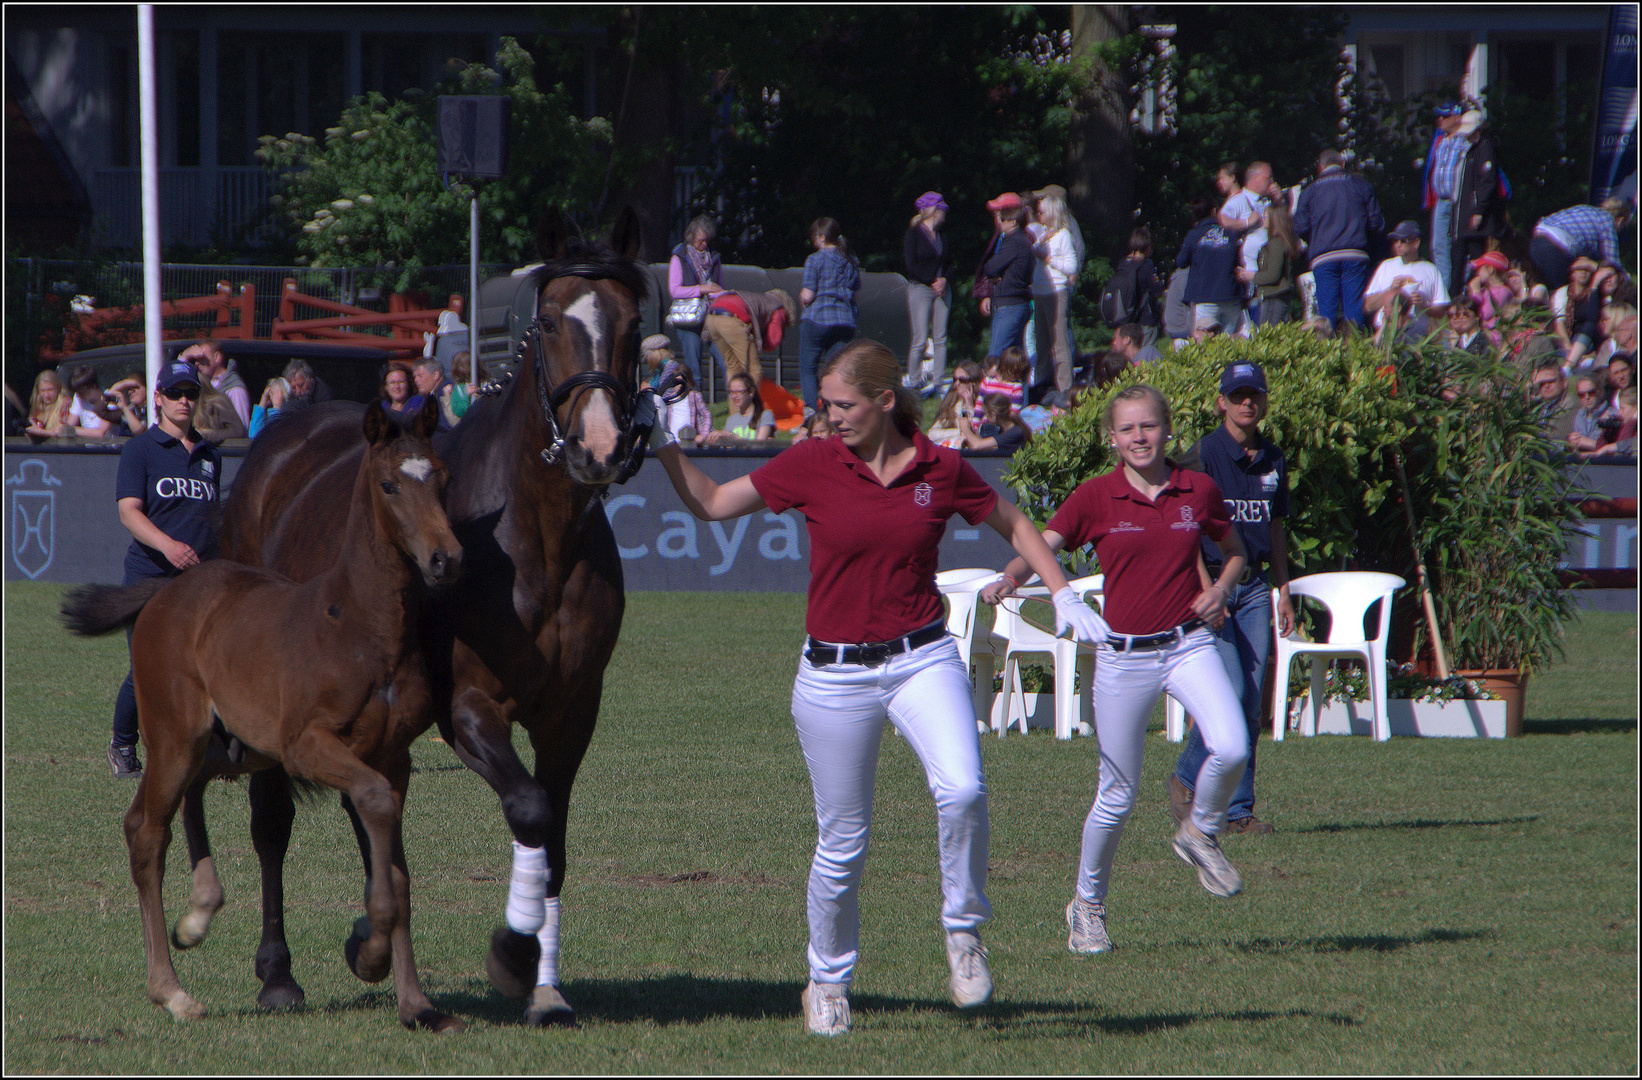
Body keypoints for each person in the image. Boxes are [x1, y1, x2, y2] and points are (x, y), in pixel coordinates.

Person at [643, 338, 1107, 1035]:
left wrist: (1061, 588)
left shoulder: (939, 468)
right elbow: (710, 502)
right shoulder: (811, 462)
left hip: (923, 658)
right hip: (833, 675)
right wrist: (662, 445)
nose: (827, 418)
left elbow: (1011, 521)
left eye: (841, 405)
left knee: (965, 790)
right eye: (825, 405)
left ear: (886, 402)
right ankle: (826, 982)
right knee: (843, 841)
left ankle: (963, 933)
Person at [981, 383, 1251, 956]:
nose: (1139, 437)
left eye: (1148, 426)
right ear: (1112, 438)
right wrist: (1009, 578)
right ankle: (1088, 905)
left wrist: (1222, 589)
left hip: (1187, 644)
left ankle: (1200, 830)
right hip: (1123, 657)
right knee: (1117, 795)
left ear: (1167, 430)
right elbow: (1040, 545)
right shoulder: (1094, 498)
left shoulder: (1196, 489)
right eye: (1127, 429)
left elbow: (1235, 551)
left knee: (1232, 746)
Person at [1163, 361, 1295, 835]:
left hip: (1256, 587)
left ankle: (1239, 811)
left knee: (1252, 702)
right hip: (1210, 586)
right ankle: (1184, 776)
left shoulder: (1274, 458)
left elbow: (1276, 528)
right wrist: (1206, 590)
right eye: (1237, 394)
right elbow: (1184, 528)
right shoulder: (1202, 456)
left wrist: (1283, 590)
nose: (1247, 403)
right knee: (1232, 693)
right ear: (1220, 401)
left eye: (1254, 395)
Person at [106, 358, 221, 777]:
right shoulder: (141, 448)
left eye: (191, 393)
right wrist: (167, 545)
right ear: (158, 399)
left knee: (206, 663)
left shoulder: (209, 454)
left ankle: (210, 747)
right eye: (175, 393)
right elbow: (128, 512)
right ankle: (122, 744)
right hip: (149, 576)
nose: (184, 401)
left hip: (198, 581)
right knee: (146, 668)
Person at [1292, 149, 1385, 332]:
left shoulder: (1309, 191)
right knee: (1354, 308)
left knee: (1326, 311)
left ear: (1320, 166)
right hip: (1355, 253)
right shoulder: (1361, 186)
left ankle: (1328, 353)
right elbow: (1376, 223)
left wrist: (1317, 238)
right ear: (1342, 164)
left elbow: (1300, 227)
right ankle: (1354, 350)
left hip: (1323, 256)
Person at [798, 217, 861, 411]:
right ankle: (831, 410)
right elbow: (856, 292)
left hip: (818, 318)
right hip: (845, 321)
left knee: (808, 368)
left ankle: (810, 412)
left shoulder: (815, 259)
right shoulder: (851, 260)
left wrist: (801, 299)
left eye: (814, 238)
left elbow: (808, 294)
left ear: (822, 238)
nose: (813, 242)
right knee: (833, 369)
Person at [669, 214, 729, 392]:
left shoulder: (714, 258)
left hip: (710, 315)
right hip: (689, 318)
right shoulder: (679, 257)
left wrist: (721, 293)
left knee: (726, 360)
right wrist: (703, 289)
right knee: (694, 369)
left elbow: (717, 288)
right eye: (700, 241)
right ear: (691, 237)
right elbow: (675, 291)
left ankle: (734, 405)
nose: (704, 245)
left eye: (706, 241)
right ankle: (696, 408)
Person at [1529, 198, 1633, 298]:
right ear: (1619, 220)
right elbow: (1612, 263)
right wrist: (1628, 281)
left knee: (1542, 291)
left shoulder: (1584, 209)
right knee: (1568, 294)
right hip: (1557, 248)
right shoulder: (1607, 220)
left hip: (1536, 241)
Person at [1450, 110, 1505, 295]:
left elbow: (1487, 182)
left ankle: (1477, 297)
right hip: (1461, 217)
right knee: (1456, 260)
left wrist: (1478, 211)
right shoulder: (1470, 149)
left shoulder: (1485, 147)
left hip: (1473, 217)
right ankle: (1456, 298)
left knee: (1476, 259)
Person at [1363, 220, 1450, 334]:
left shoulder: (1430, 269)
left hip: (1417, 334)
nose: (1398, 244)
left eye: (1403, 240)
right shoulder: (1386, 266)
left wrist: (1423, 305)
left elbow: (1441, 312)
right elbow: (1368, 306)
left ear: (1416, 243)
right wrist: (1390, 290)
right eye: (1395, 240)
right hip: (1386, 332)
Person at [1030, 192, 1079, 394]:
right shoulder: (1043, 234)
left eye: (1041, 213)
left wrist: (1049, 259)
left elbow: (1071, 266)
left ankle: (1065, 388)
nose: (1038, 216)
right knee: (1040, 341)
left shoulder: (1064, 236)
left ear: (1051, 213)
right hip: (1039, 292)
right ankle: (1042, 385)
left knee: (1059, 342)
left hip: (1056, 292)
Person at [903, 192, 953, 390]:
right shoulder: (913, 234)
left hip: (942, 289)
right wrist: (932, 280)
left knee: (940, 337)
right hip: (921, 288)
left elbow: (949, 263)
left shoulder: (942, 236)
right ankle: (914, 381)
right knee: (920, 338)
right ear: (935, 211)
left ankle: (938, 381)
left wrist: (944, 279)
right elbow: (911, 265)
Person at [705, 287, 797, 390]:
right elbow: (772, 340)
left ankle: (734, 404)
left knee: (733, 367)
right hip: (732, 318)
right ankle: (752, 404)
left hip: (712, 316)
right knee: (753, 370)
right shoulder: (779, 308)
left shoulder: (762, 298)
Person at [979, 194, 1036, 356]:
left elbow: (989, 268)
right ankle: (1016, 381)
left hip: (1010, 304)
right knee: (1014, 357)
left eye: (1002, 219)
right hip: (1019, 301)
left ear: (1013, 222)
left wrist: (995, 275)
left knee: (996, 355)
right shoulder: (1024, 240)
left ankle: (992, 381)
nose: (998, 221)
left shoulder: (1013, 241)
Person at [1178, 195, 1243, 336]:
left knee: (1205, 344)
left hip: (1205, 296)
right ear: (1214, 211)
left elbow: (1181, 262)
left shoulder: (1194, 235)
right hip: (1230, 295)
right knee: (1228, 344)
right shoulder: (1231, 234)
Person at [1422, 102, 1468, 294]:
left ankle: (1460, 291)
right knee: (1438, 246)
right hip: (1441, 201)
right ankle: (1443, 292)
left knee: (1459, 249)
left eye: (1444, 116)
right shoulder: (1441, 141)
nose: (1439, 120)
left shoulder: (1466, 140)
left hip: (1458, 201)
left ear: (1456, 117)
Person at [1243, 202, 1300, 327]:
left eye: (1265, 216)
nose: (1262, 219)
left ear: (1274, 219)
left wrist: (1252, 276)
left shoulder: (1275, 244)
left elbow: (1273, 275)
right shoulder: (1276, 243)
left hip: (1275, 296)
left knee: (1268, 335)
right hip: (1273, 296)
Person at [183, 340, 250, 431]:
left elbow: (242, 428)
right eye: (196, 359)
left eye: (202, 357)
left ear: (217, 357)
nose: (197, 363)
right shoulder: (204, 383)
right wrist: (184, 356)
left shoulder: (235, 389)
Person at [699, 373, 775, 445]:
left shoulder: (765, 415)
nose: (734, 396)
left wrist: (731, 436)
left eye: (739, 392)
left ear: (751, 392)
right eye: (732, 392)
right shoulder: (731, 420)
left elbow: (758, 446)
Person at [927, 361, 983, 447]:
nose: (957, 384)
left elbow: (980, 433)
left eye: (962, 380)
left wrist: (971, 409)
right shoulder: (952, 404)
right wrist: (959, 431)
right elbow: (931, 434)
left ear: (973, 383)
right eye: (955, 379)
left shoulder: (982, 404)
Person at [1552, 258, 1599, 357]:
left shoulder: (1595, 293)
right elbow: (1559, 323)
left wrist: (1592, 264)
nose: (1583, 272)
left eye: (1587, 269)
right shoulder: (1563, 292)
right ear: (1572, 273)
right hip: (1568, 341)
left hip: (1589, 340)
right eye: (1579, 269)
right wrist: (1568, 348)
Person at [957, 392, 1029, 452]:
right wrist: (972, 431)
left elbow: (977, 445)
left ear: (993, 415)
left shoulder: (1015, 432)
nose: (985, 417)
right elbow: (983, 446)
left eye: (985, 414)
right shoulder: (1002, 430)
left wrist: (965, 428)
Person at [659, 364, 712, 446]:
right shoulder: (670, 398)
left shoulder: (694, 396)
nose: (680, 385)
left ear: (689, 382)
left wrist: (703, 435)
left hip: (689, 440)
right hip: (672, 441)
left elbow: (707, 415)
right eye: (677, 382)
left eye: (683, 382)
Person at [1528, 358, 1578, 442]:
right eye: (1542, 383)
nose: (1546, 386)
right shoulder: (1540, 405)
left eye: (1551, 381)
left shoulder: (1571, 404)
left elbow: (1557, 439)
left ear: (1564, 383)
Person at [1467, 251, 1514, 330]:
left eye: (1479, 269)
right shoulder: (1484, 290)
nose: (1476, 273)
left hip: (1494, 336)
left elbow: (1483, 314)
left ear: (1490, 269)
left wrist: (1475, 292)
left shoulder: (1503, 291)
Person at [406, 357, 454, 434]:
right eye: (415, 377)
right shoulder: (425, 396)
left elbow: (446, 426)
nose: (416, 380)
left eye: (420, 375)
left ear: (436, 375)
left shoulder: (446, 392)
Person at [1567, 371, 1613, 453]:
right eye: (1581, 394)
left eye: (1591, 392)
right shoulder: (1578, 416)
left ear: (1601, 392)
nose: (1587, 397)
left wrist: (1588, 442)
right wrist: (1571, 442)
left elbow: (1617, 447)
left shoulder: (1612, 415)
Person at [64, 365, 115, 437]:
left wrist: (72, 430)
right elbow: (69, 424)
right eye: (77, 393)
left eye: (82, 393)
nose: (79, 396)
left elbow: (101, 433)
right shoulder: (79, 398)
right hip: (87, 447)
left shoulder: (109, 402)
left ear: (94, 387)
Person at [24, 369, 71, 439]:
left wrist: (40, 432)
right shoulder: (38, 404)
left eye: (50, 390)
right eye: (43, 391)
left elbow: (64, 432)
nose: (47, 395)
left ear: (58, 388)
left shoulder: (65, 403)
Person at [440, 352, 474, 428]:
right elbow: (458, 413)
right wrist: (467, 396)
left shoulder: (484, 383)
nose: (463, 369)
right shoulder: (458, 389)